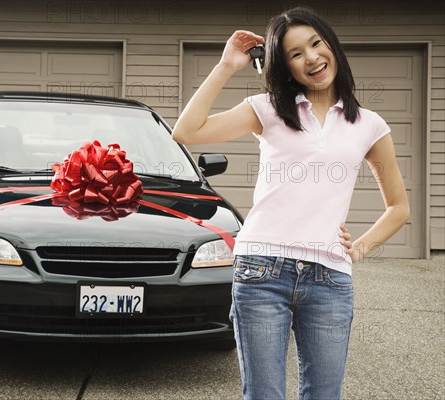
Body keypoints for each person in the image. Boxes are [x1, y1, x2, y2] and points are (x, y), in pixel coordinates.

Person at [172, 6, 409, 400]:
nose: (312, 58)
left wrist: (360, 249)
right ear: (285, 66)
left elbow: (399, 207)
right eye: (296, 54)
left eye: (316, 44)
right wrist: (227, 66)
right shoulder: (267, 109)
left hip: (329, 279)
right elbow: (186, 131)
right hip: (261, 272)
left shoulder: (370, 125)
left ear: (331, 45)